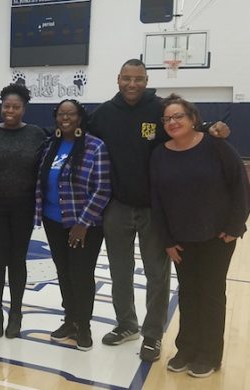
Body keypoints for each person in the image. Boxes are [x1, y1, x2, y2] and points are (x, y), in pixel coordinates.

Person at [89, 58, 230, 362]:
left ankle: (152, 334)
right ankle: (126, 325)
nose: (132, 84)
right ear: (118, 79)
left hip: (156, 209)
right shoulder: (103, 113)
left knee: (157, 274)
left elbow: (187, 126)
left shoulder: (160, 109)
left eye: (138, 79)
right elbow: (78, 131)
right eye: (126, 78)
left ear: (147, 79)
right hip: (117, 206)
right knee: (119, 272)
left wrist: (212, 128)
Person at [150, 94, 249, 378]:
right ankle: (187, 349)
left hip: (217, 237)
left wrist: (234, 227)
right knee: (189, 294)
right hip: (181, 239)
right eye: (167, 118)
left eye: (178, 116)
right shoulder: (159, 154)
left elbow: (240, 186)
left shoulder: (216, 146)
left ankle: (210, 354)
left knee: (211, 294)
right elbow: (157, 200)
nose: (172, 122)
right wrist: (167, 240)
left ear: (193, 119)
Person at [35, 99, 111, 351]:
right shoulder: (50, 145)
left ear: (80, 117)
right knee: (64, 272)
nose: (65, 118)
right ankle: (70, 320)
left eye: (71, 114)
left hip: (83, 225)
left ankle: (84, 326)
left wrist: (83, 223)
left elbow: (102, 189)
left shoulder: (94, 146)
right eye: (60, 114)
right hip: (53, 220)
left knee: (81, 274)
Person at [0, 83, 47, 339]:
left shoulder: (37, 134)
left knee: (17, 260)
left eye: (16, 107)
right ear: (1, 106)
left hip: (24, 205)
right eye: (7, 105)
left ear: (24, 109)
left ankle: (16, 313)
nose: (10, 110)